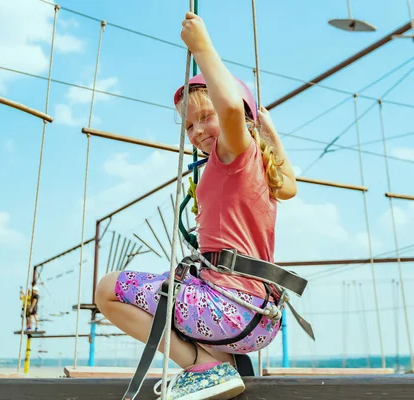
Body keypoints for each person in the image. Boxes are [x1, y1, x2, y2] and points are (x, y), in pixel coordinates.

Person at [95, 11, 298, 400]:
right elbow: (290, 186)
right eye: (189, 126)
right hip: (259, 316)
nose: (198, 131)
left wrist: (202, 48)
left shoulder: (233, 154)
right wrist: (272, 134)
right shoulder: (263, 172)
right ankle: (218, 363)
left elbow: (232, 111)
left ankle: (201, 367)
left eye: (206, 117)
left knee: (107, 289)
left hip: (227, 307)